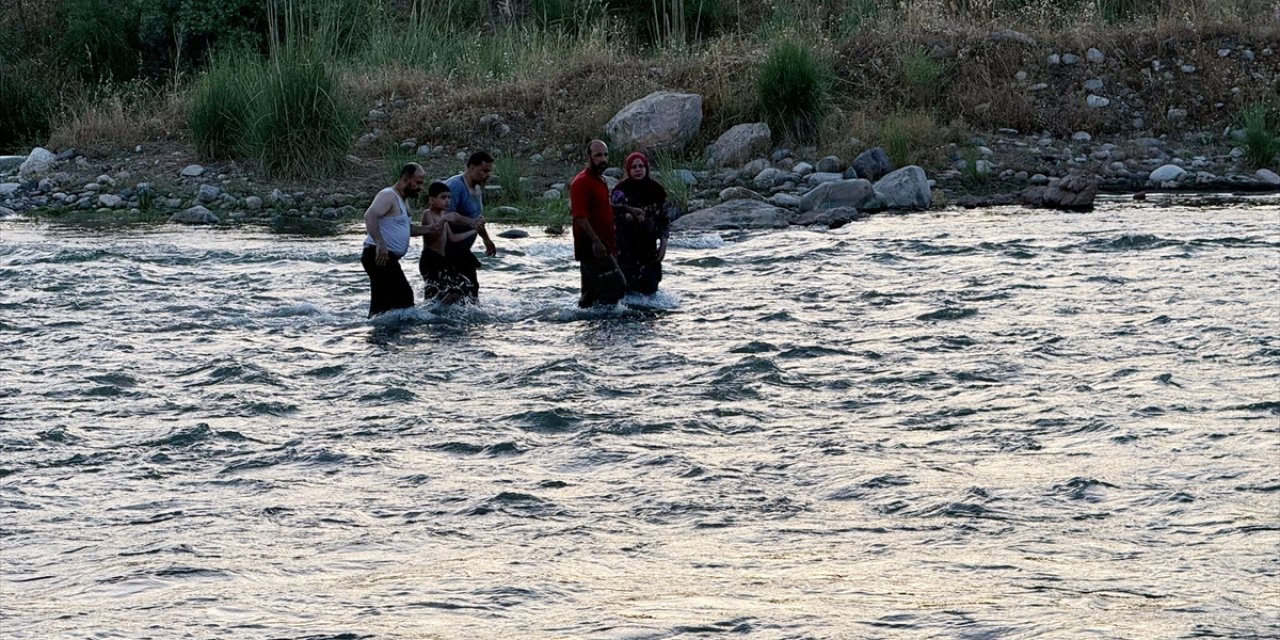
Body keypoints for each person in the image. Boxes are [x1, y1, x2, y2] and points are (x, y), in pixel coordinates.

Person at [361, 163, 436, 317]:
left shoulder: (403, 201)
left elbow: (407, 229)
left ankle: (381, 333)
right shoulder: (388, 195)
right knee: (403, 298)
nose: (421, 187)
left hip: (387, 257)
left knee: (385, 302)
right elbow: (370, 215)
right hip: (378, 255)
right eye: (418, 182)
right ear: (406, 178)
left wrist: (430, 229)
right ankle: (382, 334)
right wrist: (380, 243)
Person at [570, 140, 625, 308]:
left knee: (590, 295)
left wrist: (628, 209)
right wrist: (596, 241)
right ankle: (607, 329)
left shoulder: (600, 180)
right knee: (617, 286)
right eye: (598, 155)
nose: (603, 159)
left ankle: (587, 325)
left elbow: (604, 208)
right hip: (592, 246)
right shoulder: (581, 182)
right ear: (589, 157)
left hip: (603, 243)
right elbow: (580, 217)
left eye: (605, 155)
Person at [611, 151, 669, 295]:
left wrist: (663, 245)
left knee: (650, 291)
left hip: (649, 248)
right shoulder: (620, 190)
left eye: (641, 166)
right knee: (627, 291)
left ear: (646, 168)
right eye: (633, 167)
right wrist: (628, 216)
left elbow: (664, 220)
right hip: (625, 248)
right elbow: (612, 215)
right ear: (628, 170)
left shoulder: (657, 190)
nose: (637, 170)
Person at [444, 151, 499, 302]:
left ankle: (468, 323)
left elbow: (477, 220)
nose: (487, 175)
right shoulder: (455, 186)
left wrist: (486, 240)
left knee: (472, 290)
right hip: (446, 251)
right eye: (484, 170)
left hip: (462, 250)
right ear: (471, 168)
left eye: (489, 171)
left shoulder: (476, 189)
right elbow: (444, 217)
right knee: (453, 291)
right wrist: (470, 222)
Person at [418, 181, 479, 305]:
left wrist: (474, 230)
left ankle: (438, 311)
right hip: (430, 259)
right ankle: (435, 312)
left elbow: (453, 238)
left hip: (441, 260)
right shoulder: (427, 214)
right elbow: (432, 233)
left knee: (461, 286)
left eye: (449, 198)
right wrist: (444, 219)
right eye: (443, 197)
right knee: (452, 289)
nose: (447, 201)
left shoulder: (442, 215)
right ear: (431, 200)